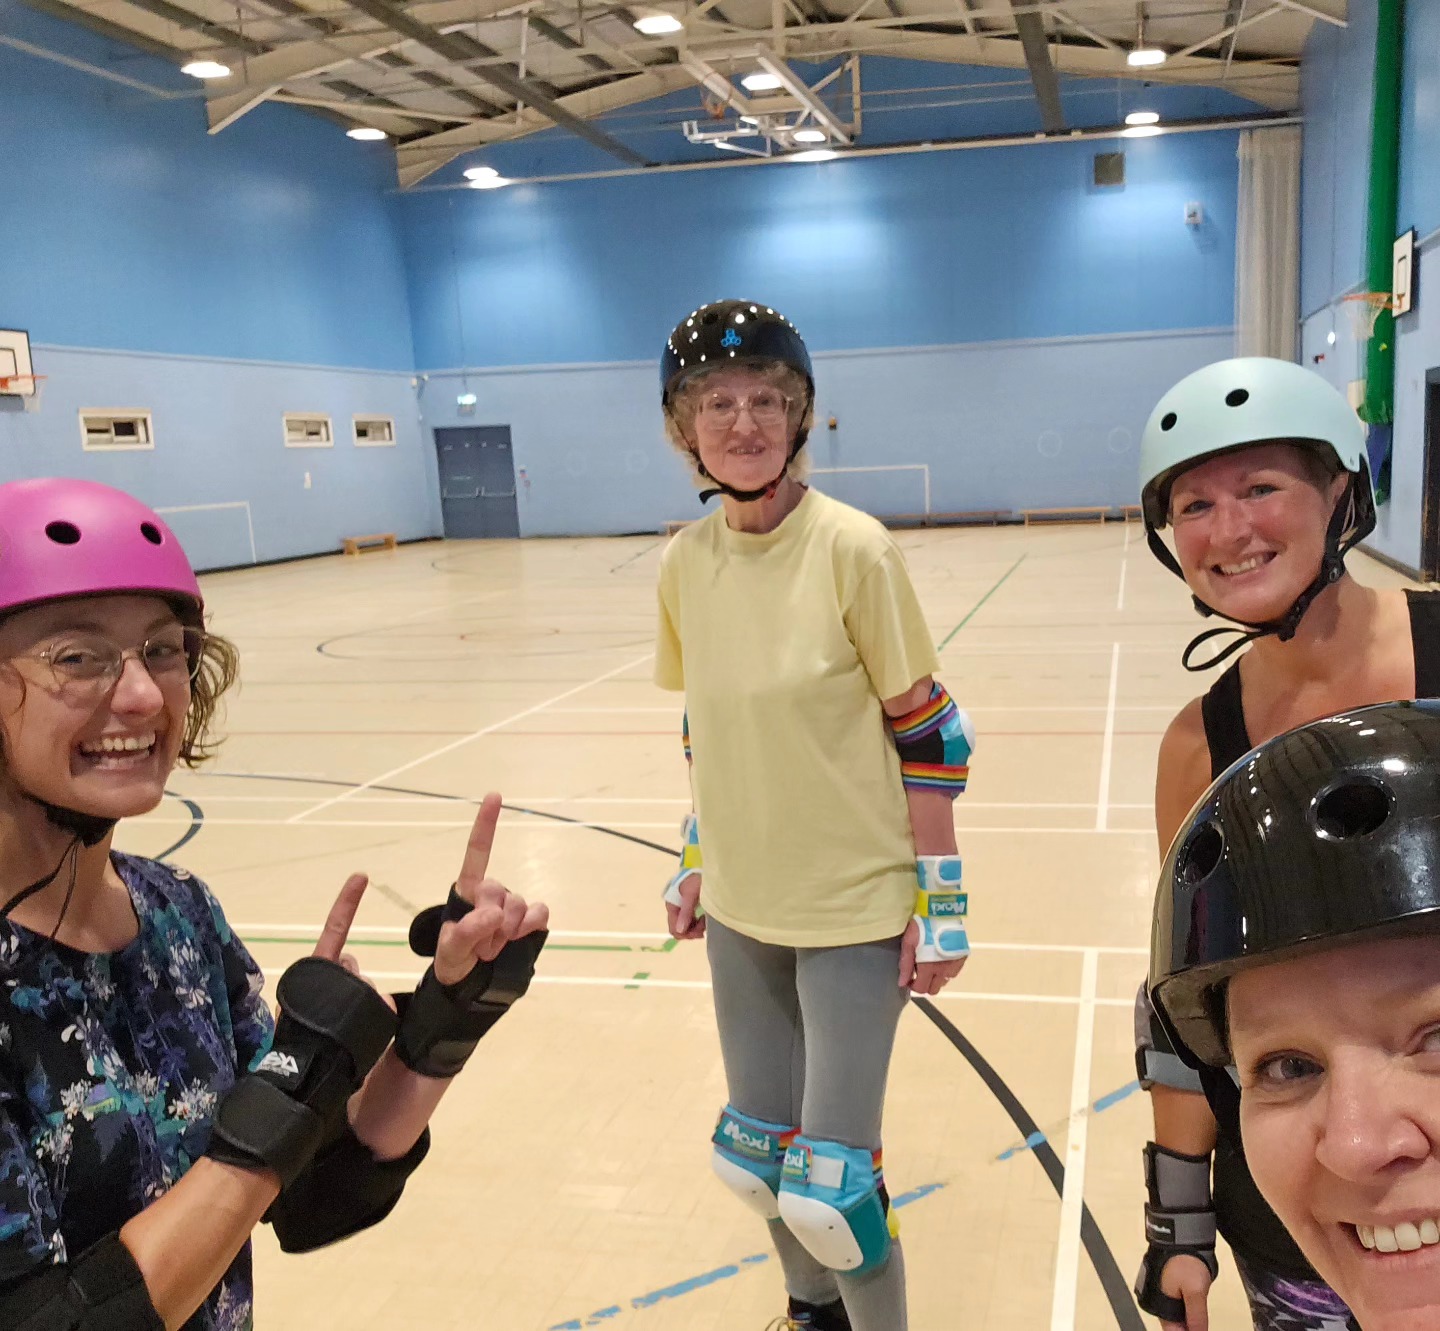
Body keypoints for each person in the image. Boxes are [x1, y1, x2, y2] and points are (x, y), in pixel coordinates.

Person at [0, 477, 548, 1330]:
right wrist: (287, 1098)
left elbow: (307, 1188)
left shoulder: (176, 912)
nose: (145, 695)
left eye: (163, 648)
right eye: (78, 656)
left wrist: (447, 1019)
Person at [653, 300, 975, 1331]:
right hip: (744, 908)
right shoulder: (682, 563)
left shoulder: (855, 549)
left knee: (834, 1189)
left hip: (851, 905)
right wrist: (698, 853)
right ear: (685, 426)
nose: (743, 423)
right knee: (760, 1158)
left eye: (766, 402)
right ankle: (812, 1318)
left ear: (799, 419)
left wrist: (945, 892)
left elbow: (929, 731)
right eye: (718, 404)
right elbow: (709, 724)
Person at [1129, 356, 1440, 1330]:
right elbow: (1186, 1010)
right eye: (1194, 504)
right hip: (1305, 1212)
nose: (1229, 530)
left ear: (1342, 491)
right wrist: (1177, 1220)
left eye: (1261, 486)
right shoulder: (1196, 745)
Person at [1148, 699, 1440, 1331]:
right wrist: (1178, 1226)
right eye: (1288, 1066)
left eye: (1437, 1039)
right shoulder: (1196, 743)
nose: (1356, 1145)